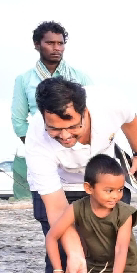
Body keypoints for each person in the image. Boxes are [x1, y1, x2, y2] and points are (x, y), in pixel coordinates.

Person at [24, 77, 137, 273]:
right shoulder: (37, 140)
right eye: (54, 129)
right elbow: (55, 208)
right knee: (64, 258)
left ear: (85, 113)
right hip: (59, 186)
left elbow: (131, 120)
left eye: (72, 127)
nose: (64, 136)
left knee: (107, 250)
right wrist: (74, 253)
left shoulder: (109, 103)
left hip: (102, 179)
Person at [10, 21, 90, 203]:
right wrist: (37, 145)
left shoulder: (80, 77)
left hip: (79, 153)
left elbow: (93, 112)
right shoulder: (24, 80)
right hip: (44, 148)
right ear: (37, 45)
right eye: (50, 43)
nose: (57, 48)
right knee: (48, 210)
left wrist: (75, 141)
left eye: (60, 43)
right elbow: (18, 120)